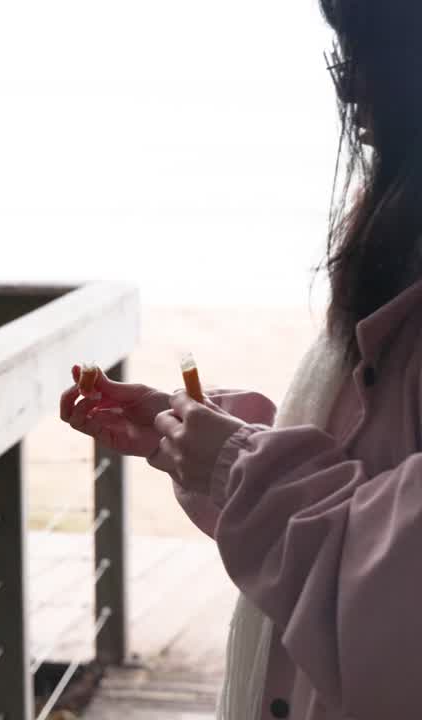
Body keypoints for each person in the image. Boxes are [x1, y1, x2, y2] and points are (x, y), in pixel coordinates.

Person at [59, 1, 422, 718]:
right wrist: (190, 430)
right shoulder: (393, 228)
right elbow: (372, 457)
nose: (350, 91)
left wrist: (239, 464)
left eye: (363, 56)